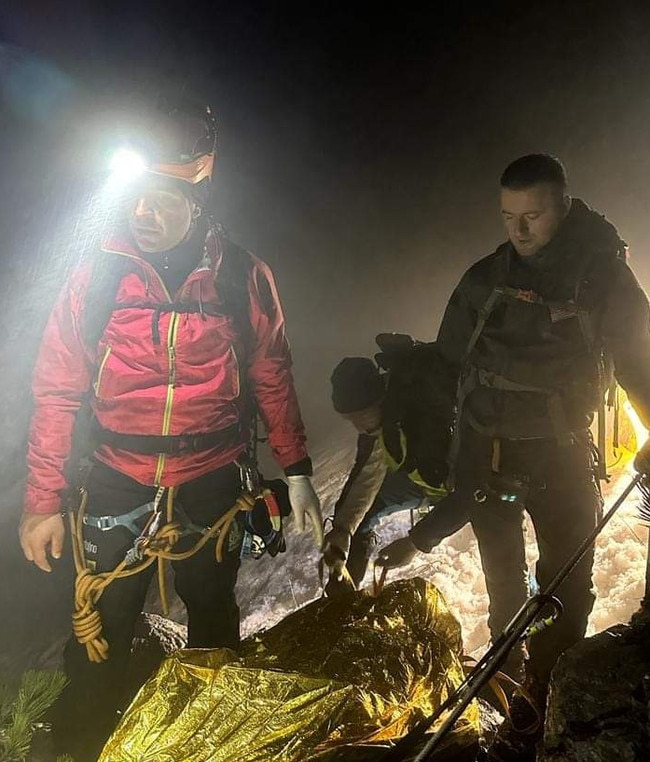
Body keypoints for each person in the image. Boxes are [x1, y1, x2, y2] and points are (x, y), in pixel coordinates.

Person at [18, 99, 323, 760]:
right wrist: (41, 501)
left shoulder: (240, 275)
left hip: (212, 475)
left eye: (159, 199)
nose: (142, 213)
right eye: (134, 199)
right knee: (101, 623)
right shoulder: (97, 274)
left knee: (212, 614)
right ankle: (81, 746)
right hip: (116, 475)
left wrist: (296, 468)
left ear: (196, 199)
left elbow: (271, 369)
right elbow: (58, 385)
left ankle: (211, 742)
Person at [377, 154, 650, 714]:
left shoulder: (601, 278)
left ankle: (549, 695)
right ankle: (511, 684)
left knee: (566, 590)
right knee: (503, 583)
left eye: (534, 215)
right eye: (508, 217)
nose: (519, 230)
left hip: (561, 453)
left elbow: (639, 362)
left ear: (564, 206)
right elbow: (451, 360)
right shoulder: (485, 279)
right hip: (487, 451)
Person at [322, 337, 459, 594]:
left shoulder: (428, 421)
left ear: (380, 401)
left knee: (500, 551)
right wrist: (342, 530)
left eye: (360, 417)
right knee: (364, 514)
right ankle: (344, 592)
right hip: (431, 486)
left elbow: (471, 493)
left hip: (473, 491)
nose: (359, 427)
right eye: (350, 420)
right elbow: (366, 479)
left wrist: (416, 542)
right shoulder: (383, 424)